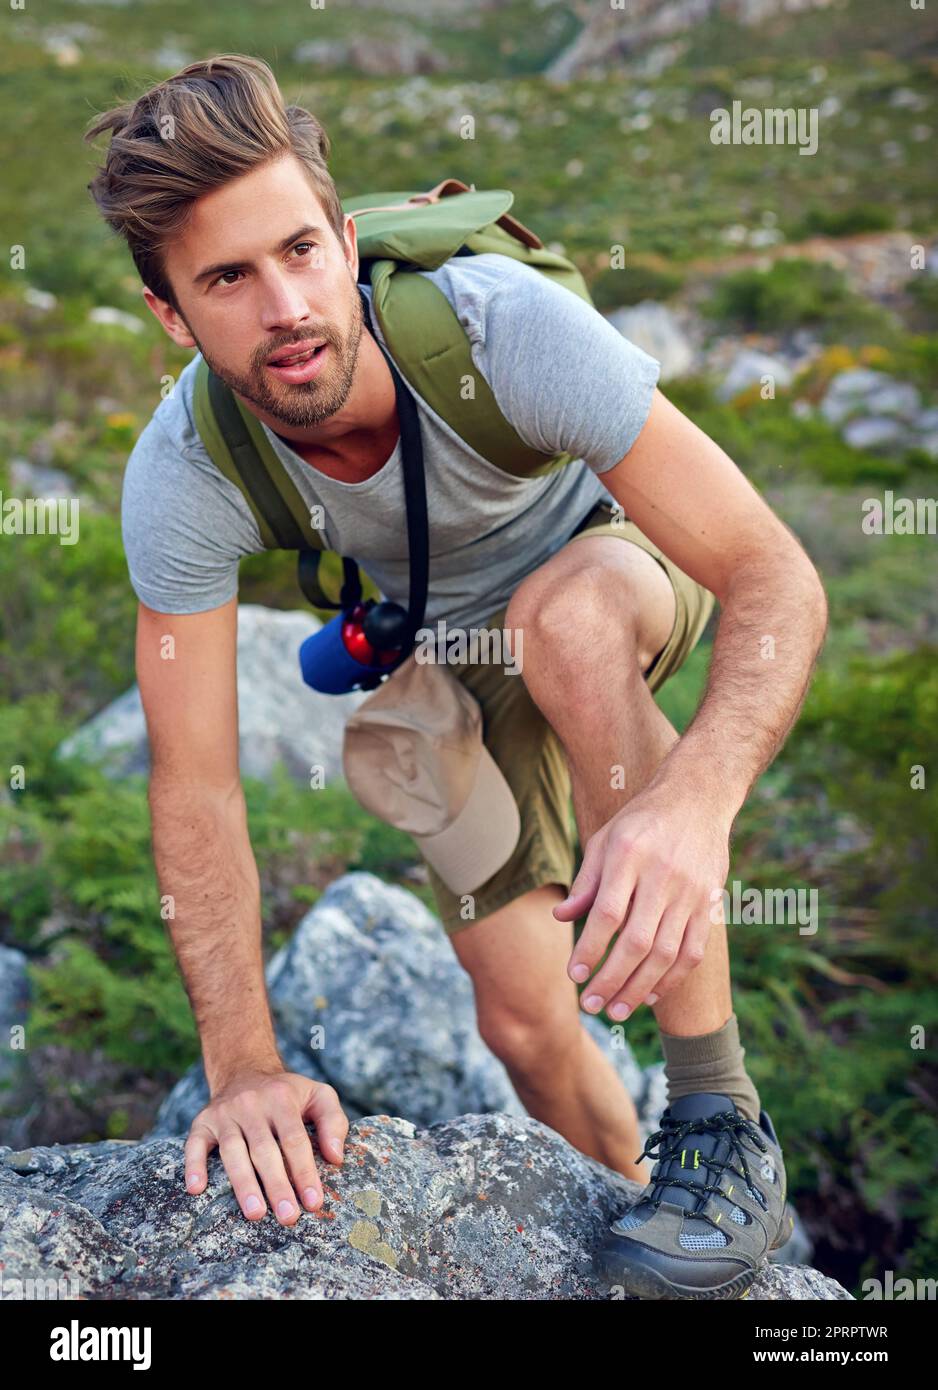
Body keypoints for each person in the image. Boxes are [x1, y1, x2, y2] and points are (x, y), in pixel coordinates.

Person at [85, 54, 827, 1298]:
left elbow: (773, 573)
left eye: (302, 250)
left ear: (339, 232)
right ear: (171, 314)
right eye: (227, 278)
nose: (287, 307)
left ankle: (717, 1121)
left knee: (567, 628)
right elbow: (196, 783)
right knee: (524, 1022)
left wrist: (693, 803)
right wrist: (244, 1066)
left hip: (612, 572)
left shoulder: (498, 327)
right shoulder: (183, 475)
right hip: (452, 646)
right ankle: (673, 1234)